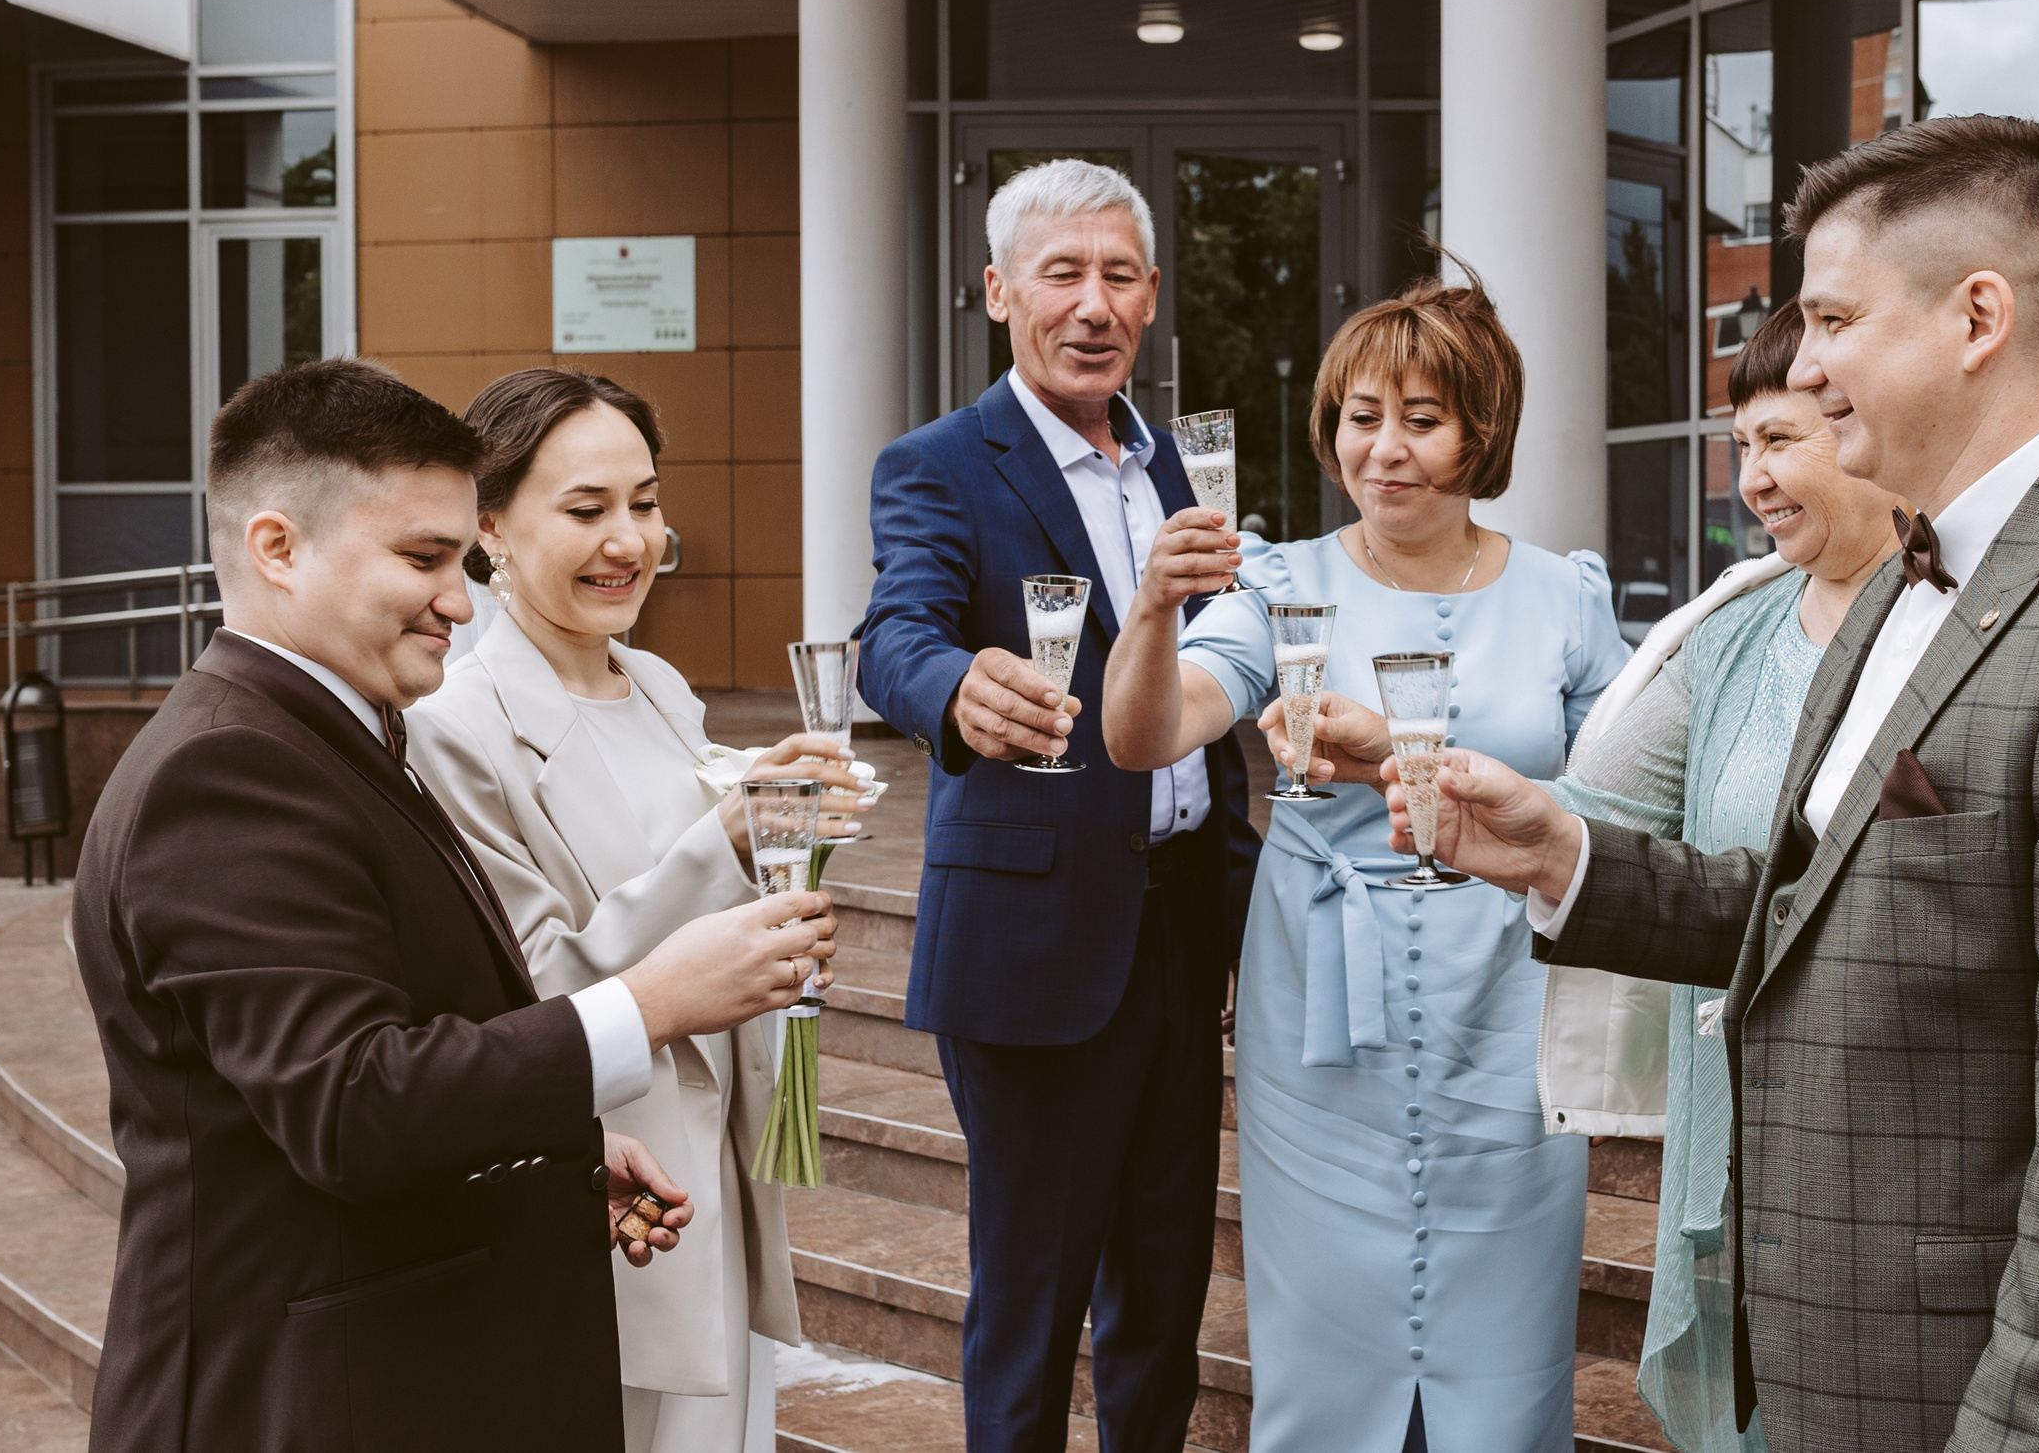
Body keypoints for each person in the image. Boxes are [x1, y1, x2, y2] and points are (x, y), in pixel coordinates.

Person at [1399, 116, 2039, 1453]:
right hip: (1833, 1374)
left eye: (1831, 318)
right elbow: (1813, 909)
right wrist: (1563, 856)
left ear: (1977, 317)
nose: (1808, 367)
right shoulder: (1898, 578)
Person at [70, 359, 836, 1453]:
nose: (459, 597)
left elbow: (415, 1030)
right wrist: (654, 1002)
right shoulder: (229, 769)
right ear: (278, 549)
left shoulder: (335, 731)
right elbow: (350, 1109)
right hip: (304, 1398)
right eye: (422, 557)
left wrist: (550, 1162)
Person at [1098, 270, 1628, 1453]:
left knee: (1505, 1335)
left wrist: (1402, 750)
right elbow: (1147, 735)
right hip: (1320, 1000)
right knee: (1323, 1333)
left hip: (1507, 994)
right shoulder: (1282, 584)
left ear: (1480, 433)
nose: (1383, 451)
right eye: (1359, 418)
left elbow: (1626, 798)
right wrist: (1150, 609)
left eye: (1421, 420)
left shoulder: (1564, 595)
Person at [857, 160, 1260, 1453]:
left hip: (1182, 917)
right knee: (1030, 1295)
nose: (1093, 304)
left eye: (1120, 274)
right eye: (1062, 272)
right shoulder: (937, 464)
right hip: (1031, 939)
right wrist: (952, 689)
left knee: (1163, 1282)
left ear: (1151, 297)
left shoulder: (1181, 468)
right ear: (998, 291)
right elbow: (895, 630)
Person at [408, 368, 874, 1453]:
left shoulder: (664, 687)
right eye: (585, 510)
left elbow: (708, 910)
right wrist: (725, 845)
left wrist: (782, 925)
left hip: (724, 1175)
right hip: (609, 1192)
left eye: (645, 504)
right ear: (490, 528)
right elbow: (523, 989)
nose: (629, 541)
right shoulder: (453, 728)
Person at [1532, 303, 1899, 1452]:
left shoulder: (1956, 624)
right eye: (1742, 448)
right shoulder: (1732, 630)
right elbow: (1590, 823)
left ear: (1864, 426)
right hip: (1733, 1115)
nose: (1754, 481)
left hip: (1884, 1136)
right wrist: (1400, 762)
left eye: (1780, 440)